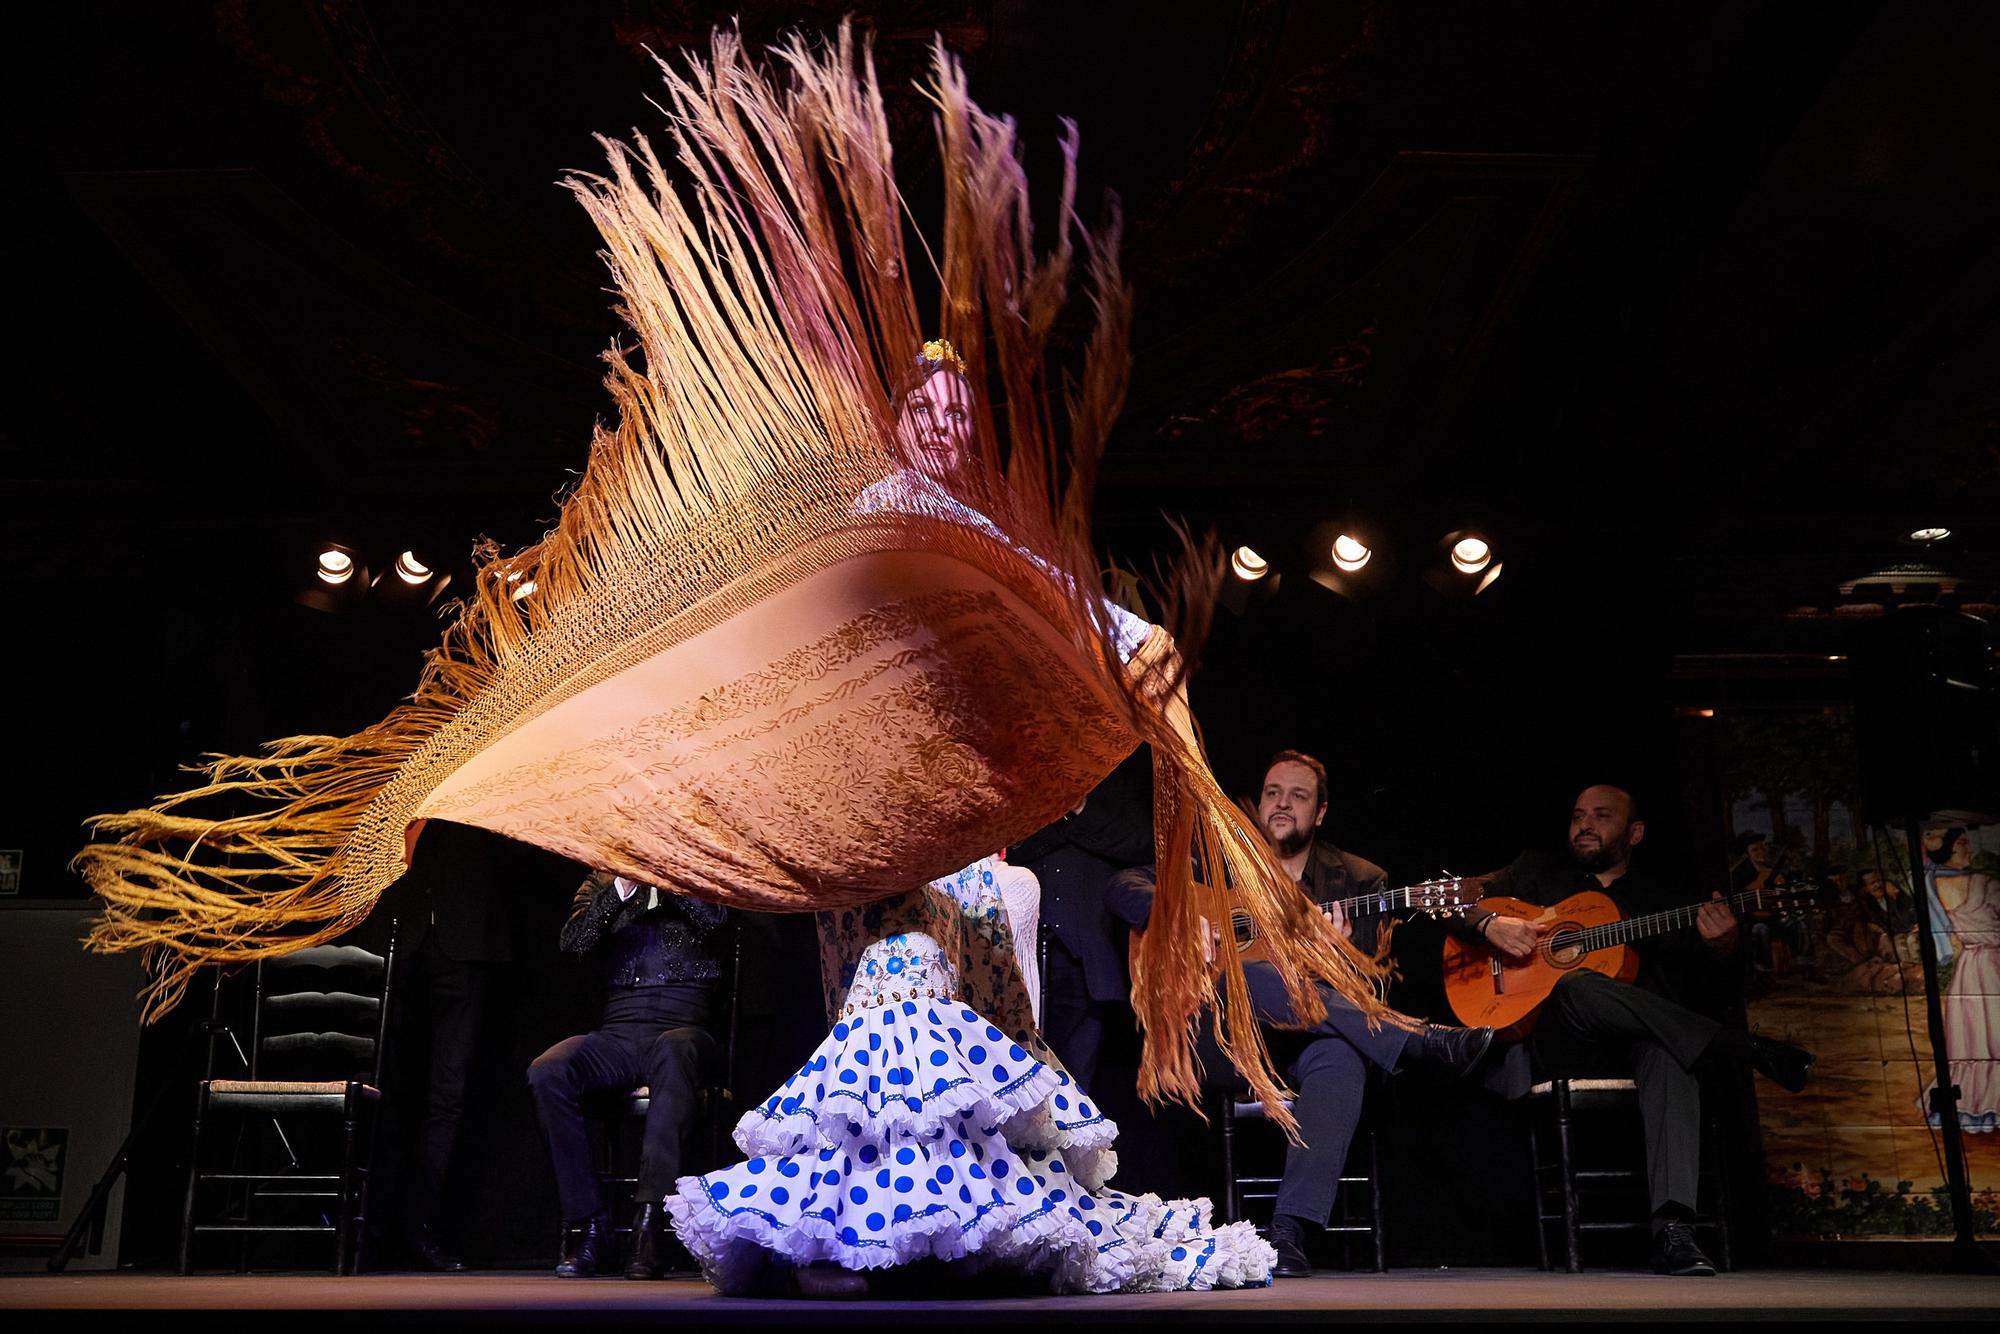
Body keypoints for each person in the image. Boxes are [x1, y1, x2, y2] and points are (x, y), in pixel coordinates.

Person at [662, 348, 1275, 1297]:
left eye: (961, 414)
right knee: (888, 989)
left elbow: (1057, 597)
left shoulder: (970, 528)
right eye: (929, 411)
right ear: (900, 422)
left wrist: (1135, 641)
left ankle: (945, 1224)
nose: (946, 428)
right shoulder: (864, 516)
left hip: (953, 815)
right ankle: (867, 1228)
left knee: (951, 1012)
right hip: (869, 811)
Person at [1109, 749, 1498, 1278]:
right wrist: (1177, 918)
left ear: (1320, 812)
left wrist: (1337, 962)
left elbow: (1372, 987)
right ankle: (1416, 1042)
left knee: (1339, 1058)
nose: (1282, 804)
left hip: (1309, 1038)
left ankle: (1288, 1234)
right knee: (1247, 975)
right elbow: (1122, 885)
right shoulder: (1220, 859)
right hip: (1223, 1039)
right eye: (1273, 793)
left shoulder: (1361, 880)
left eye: (1298, 795)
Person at [1469, 783, 1814, 1276]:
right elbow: (1452, 900)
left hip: (1649, 1044)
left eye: (1601, 815)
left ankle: (1674, 1232)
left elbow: (1714, 990)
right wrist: (1487, 925)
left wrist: (1723, 948)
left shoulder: (1672, 898)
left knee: (1672, 1053)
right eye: (1578, 815)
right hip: (1565, 1042)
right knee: (1577, 986)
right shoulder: (1535, 873)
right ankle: (1743, 1049)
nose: (1584, 824)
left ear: (1635, 833)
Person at [527, 871, 731, 1278]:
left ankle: (648, 1225)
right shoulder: (602, 880)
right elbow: (575, 941)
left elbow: (718, 920)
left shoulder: (700, 867)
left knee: (675, 1050)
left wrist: (667, 873)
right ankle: (589, 1223)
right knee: (548, 1070)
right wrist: (624, 886)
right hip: (620, 1030)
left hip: (684, 1023)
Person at [360, 817, 520, 1272]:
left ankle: (419, 1230)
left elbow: (524, 842)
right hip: (396, 939)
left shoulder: (491, 774)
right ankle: (370, 1229)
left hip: (468, 943)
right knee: (384, 1090)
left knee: (448, 1098)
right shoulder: (406, 771)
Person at [1007, 752, 1156, 1089]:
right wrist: (1071, 823)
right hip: (1021, 957)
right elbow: (1012, 846)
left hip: (1086, 961)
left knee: (1074, 1084)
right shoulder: (1027, 775)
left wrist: (1077, 811)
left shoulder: (1122, 773)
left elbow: (1143, 844)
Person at [1919, 828, 1997, 1132]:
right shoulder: (1982, 883)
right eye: (1962, 844)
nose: (1969, 851)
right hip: (1992, 965)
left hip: (1969, 970)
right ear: (1948, 848)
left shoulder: (1932, 885)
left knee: (1977, 1038)